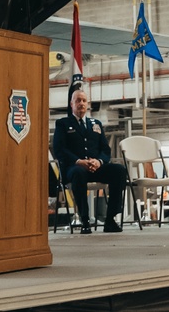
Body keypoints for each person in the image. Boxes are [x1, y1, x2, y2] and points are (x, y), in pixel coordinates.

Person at [52, 89, 126, 234]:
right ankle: (84, 220)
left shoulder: (95, 123)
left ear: (87, 104)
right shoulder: (63, 124)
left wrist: (99, 161)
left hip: (94, 168)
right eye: (78, 100)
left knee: (119, 171)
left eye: (84, 101)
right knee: (79, 173)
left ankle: (110, 219)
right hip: (74, 169)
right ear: (71, 104)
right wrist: (78, 161)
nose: (81, 103)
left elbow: (105, 150)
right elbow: (59, 149)